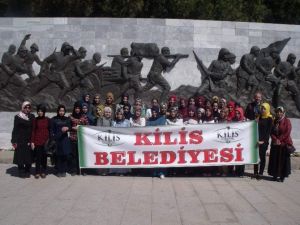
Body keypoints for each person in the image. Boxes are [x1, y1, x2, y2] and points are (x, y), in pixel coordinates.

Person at [268, 106, 293, 182]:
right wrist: (275, 139)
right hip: (275, 144)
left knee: (282, 161)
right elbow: (271, 132)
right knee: (275, 160)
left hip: (284, 144)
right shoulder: (274, 121)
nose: (279, 113)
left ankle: (282, 176)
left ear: (283, 113)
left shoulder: (287, 121)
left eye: (280, 112)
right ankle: (275, 175)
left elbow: (287, 132)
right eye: (277, 112)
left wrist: (279, 140)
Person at [11, 101, 35, 178]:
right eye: (26, 107)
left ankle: (27, 170)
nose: (27, 109)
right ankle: (21, 170)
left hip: (29, 139)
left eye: (29, 108)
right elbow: (15, 129)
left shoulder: (32, 116)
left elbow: (34, 128)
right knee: (20, 156)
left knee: (28, 156)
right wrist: (14, 140)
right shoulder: (18, 117)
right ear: (22, 108)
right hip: (20, 139)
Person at [50, 105, 71, 177]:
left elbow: (70, 127)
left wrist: (67, 128)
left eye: (63, 111)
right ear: (58, 111)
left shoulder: (67, 119)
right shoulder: (53, 119)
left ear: (64, 111)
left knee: (65, 155)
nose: (61, 112)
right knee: (58, 156)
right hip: (57, 139)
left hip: (65, 139)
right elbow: (51, 130)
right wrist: (52, 138)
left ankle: (64, 170)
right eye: (60, 111)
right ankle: (59, 170)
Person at [254, 103, 273, 179]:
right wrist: (255, 121)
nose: (262, 110)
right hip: (256, 140)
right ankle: (255, 172)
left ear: (267, 109)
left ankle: (261, 173)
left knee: (262, 157)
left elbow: (268, 132)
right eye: (262, 108)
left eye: (264, 108)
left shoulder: (270, 119)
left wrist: (263, 141)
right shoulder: (259, 117)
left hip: (263, 142)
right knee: (255, 157)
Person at [69, 102, 89, 175]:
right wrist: (72, 128)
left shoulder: (84, 116)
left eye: (79, 108)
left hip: (82, 139)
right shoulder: (70, 116)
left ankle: (83, 170)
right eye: (76, 108)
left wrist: (80, 128)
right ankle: (74, 170)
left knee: (82, 155)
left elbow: (87, 127)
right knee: (73, 155)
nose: (77, 110)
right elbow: (68, 126)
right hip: (73, 138)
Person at [31, 104, 50, 179]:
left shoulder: (47, 120)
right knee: (38, 158)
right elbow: (33, 131)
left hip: (45, 142)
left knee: (44, 158)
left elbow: (50, 130)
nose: (40, 112)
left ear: (44, 112)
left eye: (41, 111)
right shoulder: (35, 120)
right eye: (38, 111)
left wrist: (50, 140)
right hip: (37, 141)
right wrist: (32, 142)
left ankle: (43, 171)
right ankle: (37, 172)